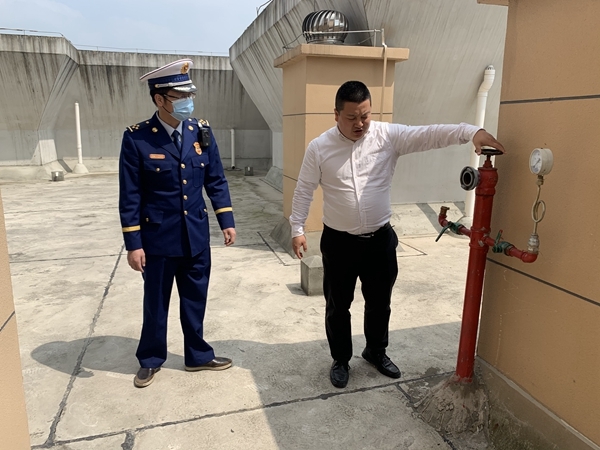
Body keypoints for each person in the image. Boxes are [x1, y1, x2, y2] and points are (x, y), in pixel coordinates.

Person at [290, 80, 504, 389]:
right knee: (338, 305)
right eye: (351, 117)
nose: (360, 123)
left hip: (379, 241)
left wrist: (472, 132)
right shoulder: (319, 147)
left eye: (365, 115)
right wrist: (297, 228)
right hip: (339, 242)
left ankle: (376, 352)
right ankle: (341, 359)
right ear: (336, 115)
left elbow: (431, 134)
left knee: (380, 302)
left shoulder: (387, 136)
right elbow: (304, 190)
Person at [119, 59, 236, 388]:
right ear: (160, 99)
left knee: (195, 298)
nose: (188, 101)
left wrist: (225, 220)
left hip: (195, 235)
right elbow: (130, 195)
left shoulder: (200, 131)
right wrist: (133, 244)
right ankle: (150, 359)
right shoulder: (138, 139)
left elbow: (215, 179)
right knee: (156, 303)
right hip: (158, 239)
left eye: (190, 95)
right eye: (180, 96)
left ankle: (197, 355)